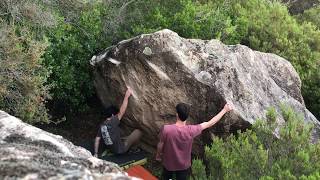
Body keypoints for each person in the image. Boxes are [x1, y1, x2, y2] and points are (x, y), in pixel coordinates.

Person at [156, 102, 233, 180]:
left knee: (167, 177)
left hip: (169, 163)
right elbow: (210, 123)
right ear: (187, 116)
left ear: (177, 114)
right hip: (183, 166)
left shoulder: (166, 129)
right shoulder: (191, 130)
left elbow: (161, 144)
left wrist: (158, 156)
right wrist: (224, 110)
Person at [94, 87, 142, 157]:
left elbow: (97, 139)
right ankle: (134, 149)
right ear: (112, 115)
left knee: (121, 131)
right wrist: (126, 96)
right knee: (138, 132)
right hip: (121, 150)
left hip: (112, 148)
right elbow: (122, 111)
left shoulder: (102, 125)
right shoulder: (113, 121)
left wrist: (96, 153)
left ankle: (122, 141)